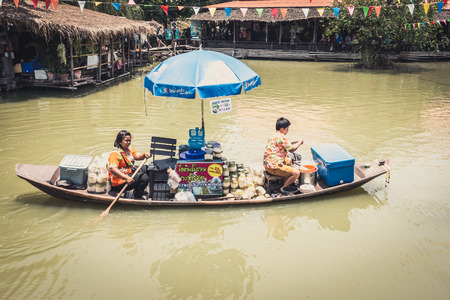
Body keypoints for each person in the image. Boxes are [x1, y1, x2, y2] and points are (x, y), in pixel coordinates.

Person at [108, 130, 151, 200]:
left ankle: (138, 189)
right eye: (126, 141)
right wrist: (126, 178)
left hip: (128, 171)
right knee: (144, 177)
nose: (128, 142)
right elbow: (112, 169)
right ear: (120, 141)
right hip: (119, 181)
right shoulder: (115, 153)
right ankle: (137, 195)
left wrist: (144, 154)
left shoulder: (128, 149)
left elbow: (137, 156)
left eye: (129, 140)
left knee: (146, 168)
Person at [263, 117, 303, 189]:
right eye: (287, 129)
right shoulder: (282, 137)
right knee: (297, 173)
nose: (287, 131)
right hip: (273, 167)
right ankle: (283, 188)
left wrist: (292, 142)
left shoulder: (273, 134)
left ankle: (286, 179)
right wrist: (299, 143)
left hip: (267, 164)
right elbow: (292, 149)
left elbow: (281, 145)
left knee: (289, 160)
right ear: (282, 129)